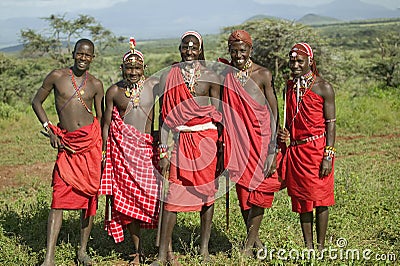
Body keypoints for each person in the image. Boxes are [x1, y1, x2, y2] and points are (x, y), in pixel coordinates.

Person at [151, 30, 222, 265]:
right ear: (179, 49)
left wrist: (221, 148)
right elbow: (163, 117)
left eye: (193, 47)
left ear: (200, 50)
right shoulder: (169, 76)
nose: (189, 51)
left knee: (207, 195)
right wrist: (162, 150)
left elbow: (219, 114)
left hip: (206, 141)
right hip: (180, 141)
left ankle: (204, 250)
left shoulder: (211, 76)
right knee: (172, 197)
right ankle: (162, 255)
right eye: (185, 47)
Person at [31, 38, 104, 266]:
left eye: (88, 55)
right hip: (66, 145)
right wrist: (49, 129)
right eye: (80, 54)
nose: (83, 58)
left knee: (89, 199)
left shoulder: (96, 84)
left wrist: (101, 149)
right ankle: (49, 257)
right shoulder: (57, 76)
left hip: (90, 145)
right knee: (58, 199)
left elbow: (101, 118)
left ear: (93, 57)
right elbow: (37, 102)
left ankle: (82, 251)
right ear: (73, 54)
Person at [219, 29, 283, 257]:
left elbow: (274, 111)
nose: (238, 55)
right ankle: (255, 242)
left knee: (260, 191)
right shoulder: (226, 76)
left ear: (250, 50)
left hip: (261, 141)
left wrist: (273, 149)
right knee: (244, 193)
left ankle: (248, 245)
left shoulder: (263, 75)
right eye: (234, 51)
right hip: (238, 144)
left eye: (242, 50)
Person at [98, 38, 160, 265]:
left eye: (137, 67)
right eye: (129, 67)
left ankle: (164, 249)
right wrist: (104, 153)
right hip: (123, 155)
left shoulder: (154, 86)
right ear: (121, 68)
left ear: (144, 68)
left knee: (157, 199)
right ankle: (138, 249)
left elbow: (166, 113)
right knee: (129, 201)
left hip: (147, 150)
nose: (133, 71)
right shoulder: (114, 91)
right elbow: (106, 124)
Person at [278, 42, 336, 251]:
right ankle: (308, 247)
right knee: (302, 200)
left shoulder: (323, 87)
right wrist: (283, 132)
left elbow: (331, 123)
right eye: (292, 61)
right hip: (296, 151)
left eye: (299, 61)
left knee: (321, 199)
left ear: (310, 62)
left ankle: (320, 247)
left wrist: (328, 155)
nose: (295, 65)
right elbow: (288, 120)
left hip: (317, 150)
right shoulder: (289, 87)